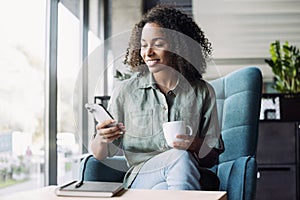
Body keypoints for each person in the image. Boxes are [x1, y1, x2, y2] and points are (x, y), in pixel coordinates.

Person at [91, 4, 224, 190]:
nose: (148, 52)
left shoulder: (202, 92)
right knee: (178, 157)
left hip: (188, 174)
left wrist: (195, 145)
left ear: (179, 47)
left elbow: (212, 158)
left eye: (158, 44)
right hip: (142, 177)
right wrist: (102, 138)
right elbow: (100, 154)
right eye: (144, 45)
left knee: (166, 183)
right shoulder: (125, 92)